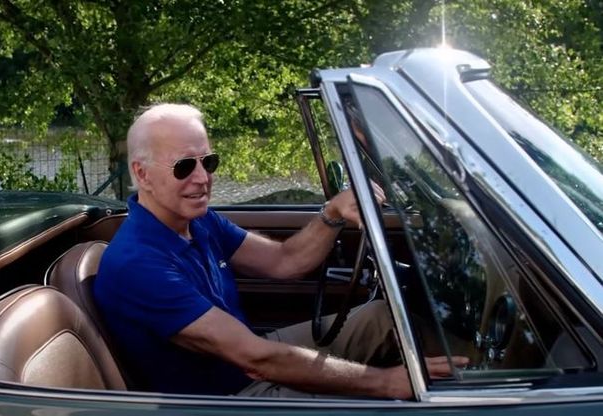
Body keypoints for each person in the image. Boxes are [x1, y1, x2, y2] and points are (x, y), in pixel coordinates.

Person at [93, 103, 461, 399]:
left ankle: (480, 378)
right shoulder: (136, 263)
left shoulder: (199, 222)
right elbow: (257, 358)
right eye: (185, 166)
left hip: (245, 359)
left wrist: (332, 213)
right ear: (142, 174)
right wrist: (386, 382)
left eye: (210, 162)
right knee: (377, 412)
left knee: (382, 319)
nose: (203, 178)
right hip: (226, 402)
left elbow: (285, 261)